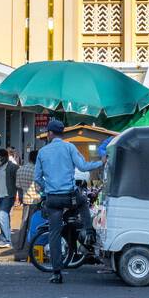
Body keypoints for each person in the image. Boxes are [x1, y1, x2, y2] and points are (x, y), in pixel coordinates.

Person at [33, 119, 104, 284]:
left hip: (52, 199)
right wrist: (102, 162)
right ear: (62, 133)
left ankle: (56, 273)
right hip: (69, 196)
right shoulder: (69, 147)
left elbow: (37, 177)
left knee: (54, 233)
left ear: (50, 133)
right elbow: (84, 167)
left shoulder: (42, 152)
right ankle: (89, 232)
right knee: (83, 203)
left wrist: (48, 187)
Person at [0, 148, 19, 248]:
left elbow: (18, 180)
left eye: (1, 157)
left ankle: (7, 240)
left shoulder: (12, 167)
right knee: (3, 218)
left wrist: (18, 195)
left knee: (2, 215)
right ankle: (4, 239)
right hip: (0, 195)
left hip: (8, 195)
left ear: (6, 157)